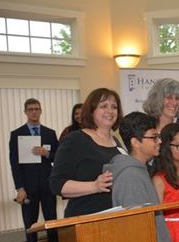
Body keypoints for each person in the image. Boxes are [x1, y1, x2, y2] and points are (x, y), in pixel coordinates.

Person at [107, 112, 179, 242]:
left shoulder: (140, 170)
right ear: (135, 142)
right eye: (153, 137)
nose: (159, 141)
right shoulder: (131, 176)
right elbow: (138, 233)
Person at [50, 88, 124, 217]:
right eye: (103, 106)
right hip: (85, 219)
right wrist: (94, 186)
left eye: (114, 107)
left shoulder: (116, 141)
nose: (110, 111)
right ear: (91, 110)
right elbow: (57, 184)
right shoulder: (76, 139)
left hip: (115, 218)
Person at [9, 98, 60, 242]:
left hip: (47, 185)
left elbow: (58, 158)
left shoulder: (50, 133)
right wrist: (20, 188)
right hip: (28, 189)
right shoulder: (16, 134)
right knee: (30, 225)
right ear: (25, 111)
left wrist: (47, 153)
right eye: (30, 109)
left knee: (51, 220)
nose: (34, 112)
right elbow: (14, 164)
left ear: (41, 111)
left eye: (37, 109)